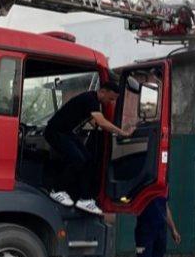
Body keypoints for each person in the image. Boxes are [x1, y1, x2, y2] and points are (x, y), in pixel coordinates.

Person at [44, 79, 132, 215]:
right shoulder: (90, 99)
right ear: (103, 91)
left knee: (88, 159)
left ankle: (84, 199)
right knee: (78, 159)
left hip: (65, 132)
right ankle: (56, 190)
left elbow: (93, 120)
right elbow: (101, 122)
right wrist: (122, 132)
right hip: (55, 132)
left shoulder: (93, 101)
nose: (111, 102)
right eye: (111, 98)